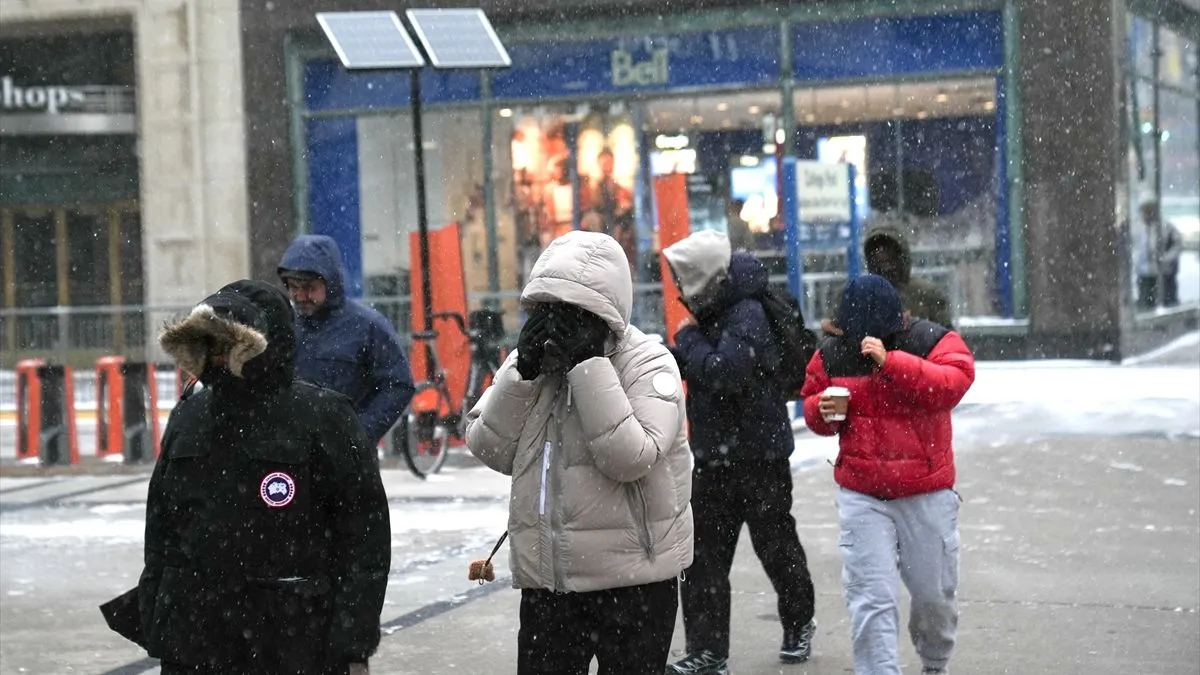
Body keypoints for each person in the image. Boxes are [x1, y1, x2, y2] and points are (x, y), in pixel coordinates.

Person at [464, 231, 693, 675]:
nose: (556, 324)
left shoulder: (648, 363)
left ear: (604, 312)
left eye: (571, 312)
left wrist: (588, 366)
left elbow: (630, 458)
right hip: (550, 583)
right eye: (545, 310)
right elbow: (491, 448)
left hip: (634, 583)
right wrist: (521, 373)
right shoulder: (532, 363)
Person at [139, 279, 391, 674]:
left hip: (295, 638)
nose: (219, 358)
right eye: (211, 345)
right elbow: (162, 528)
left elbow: (364, 538)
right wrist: (158, 614)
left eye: (229, 345)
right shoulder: (190, 416)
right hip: (197, 636)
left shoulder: (322, 416)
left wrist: (352, 641)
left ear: (262, 345)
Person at [800, 274, 975, 675]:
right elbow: (812, 403)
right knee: (872, 598)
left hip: (926, 492)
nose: (861, 341)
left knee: (933, 596)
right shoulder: (832, 354)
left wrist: (890, 361)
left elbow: (953, 383)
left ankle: (935, 663)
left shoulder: (932, 340)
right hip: (862, 495)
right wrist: (821, 411)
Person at [662, 230, 818, 675]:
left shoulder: (747, 311)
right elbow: (710, 359)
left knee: (775, 546)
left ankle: (799, 621)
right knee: (702, 556)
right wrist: (668, 354)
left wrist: (687, 341)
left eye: (684, 279)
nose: (680, 289)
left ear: (705, 278)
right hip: (716, 456)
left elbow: (724, 370)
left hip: (758, 456)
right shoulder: (719, 310)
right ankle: (708, 651)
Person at [278, 234, 415, 447]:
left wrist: (360, 433)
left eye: (309, 288)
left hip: (347, 457)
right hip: (291, 452)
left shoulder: (368, 326)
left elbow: (398, 384)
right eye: (294, 287)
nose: (300, 296)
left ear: (330, 282)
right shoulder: (284, 325)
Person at [860, 226, 954, 330]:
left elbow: (947, 336)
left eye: (890, 260)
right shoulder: (863, 298)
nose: (885, 267)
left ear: (901, 258)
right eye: (879, 261)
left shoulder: (926, 294)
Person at [1136, 201, 1183, 309]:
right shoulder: (1139, 228)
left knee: (1168, 301)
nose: (1144, 217)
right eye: (1143, 213)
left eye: (1147, 213)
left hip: (1164, 273)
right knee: (1146, 302)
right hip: (1144, 273)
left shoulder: (1166, 227)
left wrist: (1166, 259)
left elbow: (1178, 245)